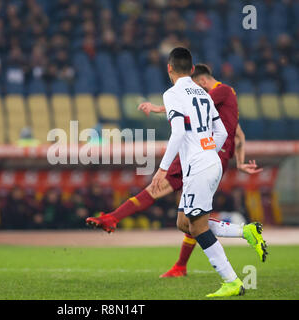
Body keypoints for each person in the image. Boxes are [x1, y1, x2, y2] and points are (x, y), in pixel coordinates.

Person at [88, 48, 252, 297]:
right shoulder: (205, 94)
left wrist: (162, 168)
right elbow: (224, 133)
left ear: (169, 68)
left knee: (196, 225)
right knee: (185, 222)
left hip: (197, 161)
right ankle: (241, 238)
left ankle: (232, 279)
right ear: (192, 68)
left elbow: (177, 133)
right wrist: (210, 150)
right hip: (209, 159)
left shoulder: (175, 93)